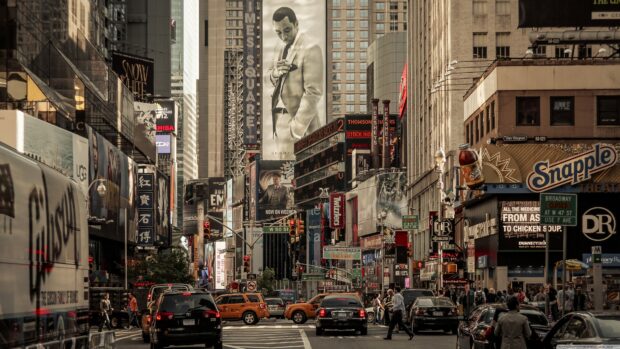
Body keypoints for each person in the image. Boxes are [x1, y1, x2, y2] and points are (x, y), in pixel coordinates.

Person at [268, 6, 324, 157]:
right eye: (278, 33)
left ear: (296, 24)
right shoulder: (278, 48)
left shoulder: (311, 48)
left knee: (303, 176)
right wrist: (276, 73)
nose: (283, 37)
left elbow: (313, 92)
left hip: (301, 128)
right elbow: (268, 78)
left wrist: (295, 129)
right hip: (279, 124)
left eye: (287, 30)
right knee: (283, 176)